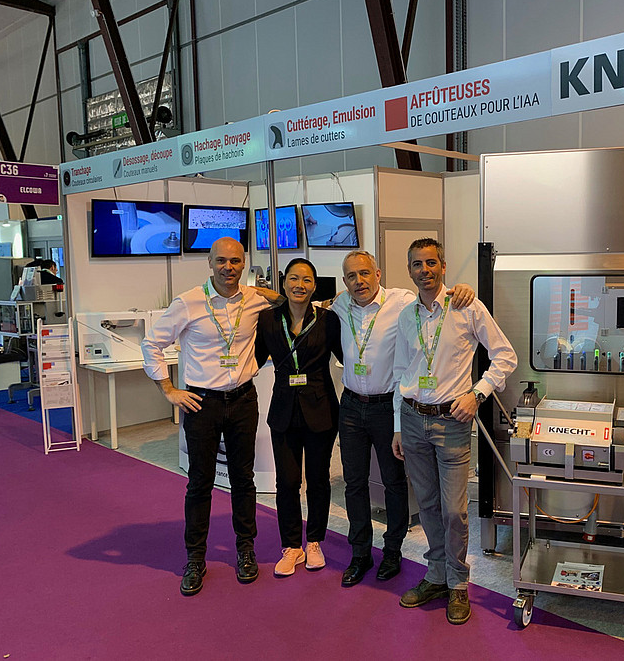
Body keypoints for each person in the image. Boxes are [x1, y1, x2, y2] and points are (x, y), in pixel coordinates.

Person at [142, 237, 282, 596]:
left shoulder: (254, 299)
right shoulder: (187, 302)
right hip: (201, 404)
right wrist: (168, 389)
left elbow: (285, 302)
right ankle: (195, 558)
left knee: (243, 481)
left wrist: (267, 292)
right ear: (209, 263)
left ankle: (245, 549)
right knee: (199, 483)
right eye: (221, 261)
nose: (228, 268)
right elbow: (151, 344)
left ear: (244, 263)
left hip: (243, 400)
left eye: (235, 261)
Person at [330, 250, 474, 587]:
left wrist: (463, 288)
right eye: (351, 276)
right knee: (354, 483)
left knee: (394, 483)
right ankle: (360, 553)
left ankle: (392, 551)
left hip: (388, 405)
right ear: (345, 282)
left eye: (365, 273)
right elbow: (303, 300)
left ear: (378, 274)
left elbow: (434, 295)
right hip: (350, 406)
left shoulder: (402, 301)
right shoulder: (340, 304)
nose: (359, 281)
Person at [392, 238, 517, 625]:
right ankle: (436, 575)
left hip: (452, 422)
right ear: (409, 270)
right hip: (412, 418)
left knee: (454, 511)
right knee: (427, 505)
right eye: (417, 264)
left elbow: (505, 356)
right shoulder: (406, 316)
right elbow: (400, 371)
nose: (424, 270)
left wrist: (477, 394)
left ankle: (458, 582)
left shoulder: (466, 306)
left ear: (443, 266)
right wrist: (398, 426)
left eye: (431, 263)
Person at [255, 258, 343, 577]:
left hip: (321, 409)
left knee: (318, 480)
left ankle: (315, 540)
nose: (299, 285)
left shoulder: (328, 320)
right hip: (283, 410)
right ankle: (292, 545)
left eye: (306, 280)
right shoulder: (267, 320)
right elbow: (253, 359)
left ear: (314, 286)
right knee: (288, 482)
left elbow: (347, 355)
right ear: (284, 283)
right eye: (293, 278)